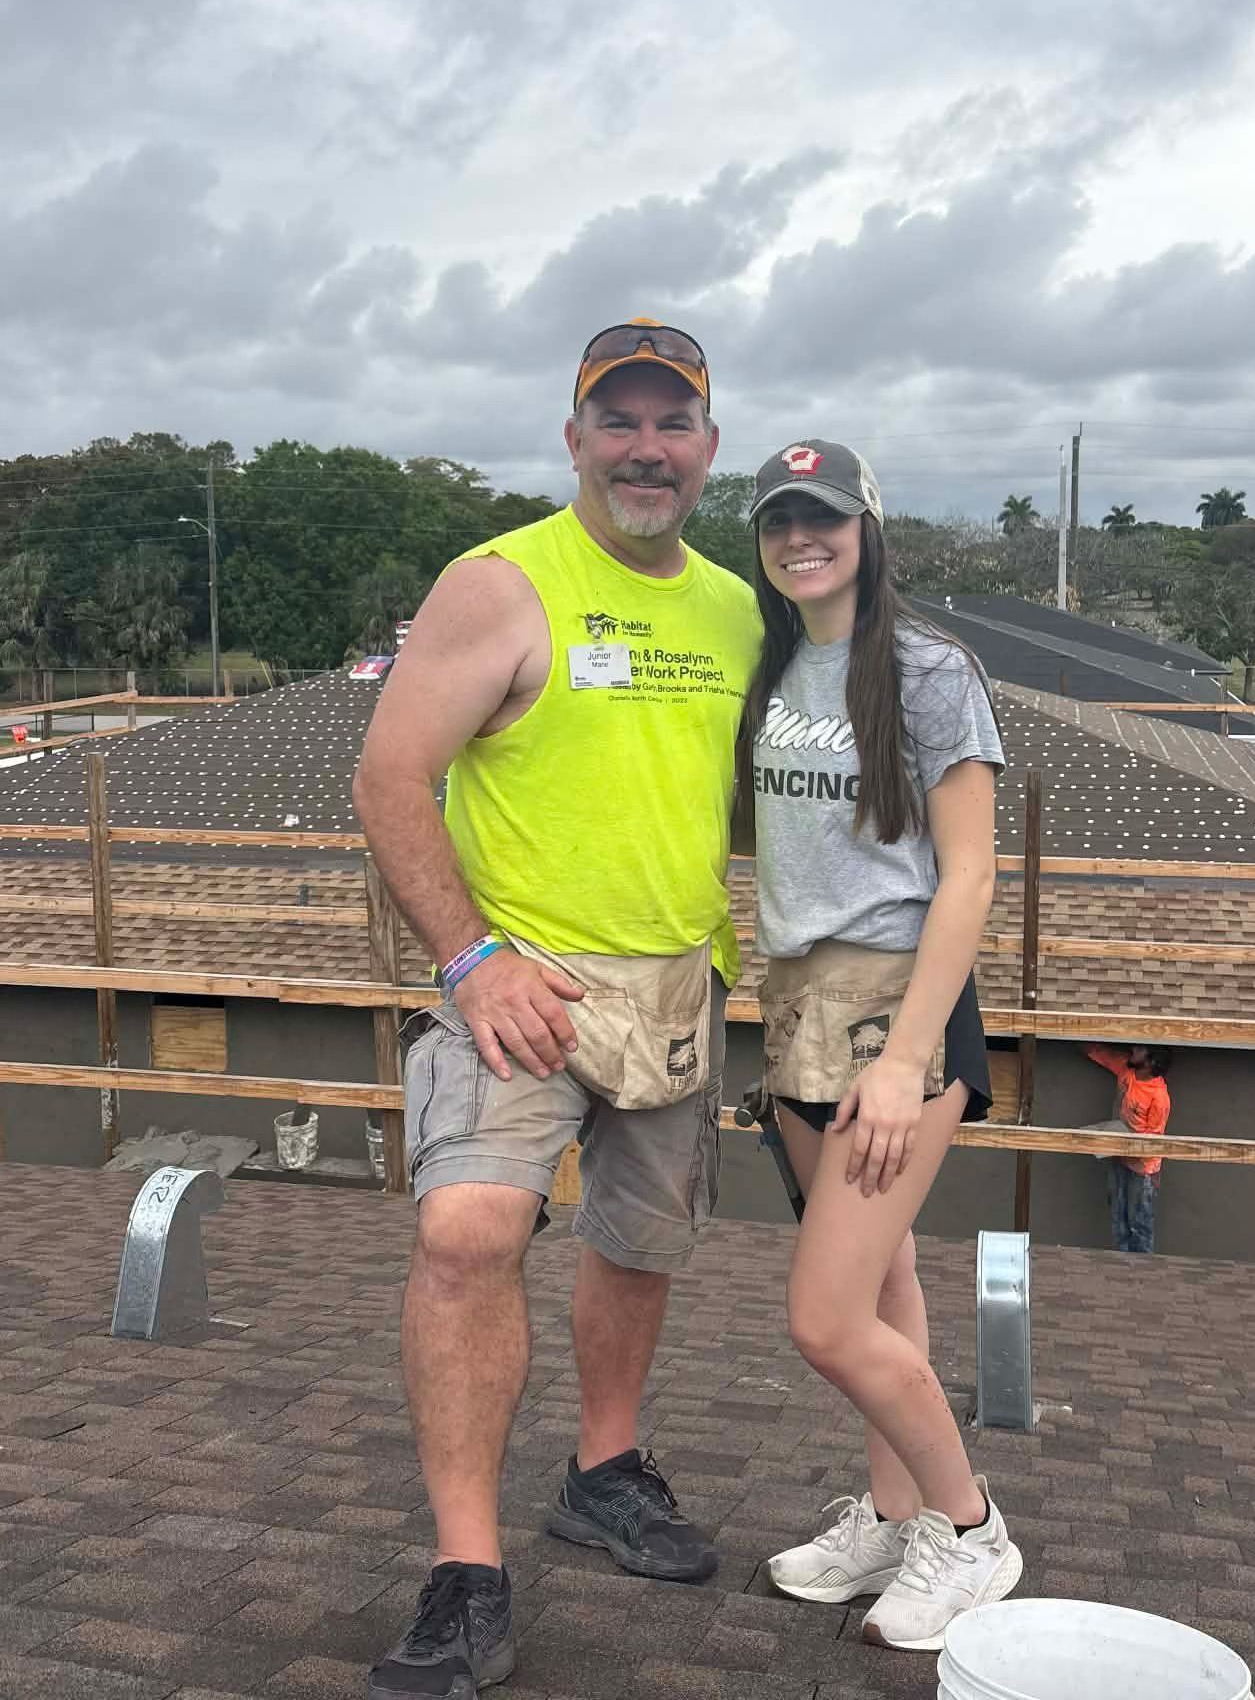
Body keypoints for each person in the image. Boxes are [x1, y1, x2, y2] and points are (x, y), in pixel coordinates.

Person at [353, 321, 761, 1700]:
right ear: (575, 434)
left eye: (674, 422)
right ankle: (467, 1574)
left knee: (639, 1244)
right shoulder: (500, 583)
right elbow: (389, 780)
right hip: (524, 983)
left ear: (709, 446)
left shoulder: (734, 606)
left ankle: (602, 1469)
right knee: (468, 1231)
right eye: (620, 419)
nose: (648, 447)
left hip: (675, 980)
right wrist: (474, 963)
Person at [736, 438, 1023, 1653]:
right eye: (780, 521)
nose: (804, 539)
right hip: (798, 1000)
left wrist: (906, 1060)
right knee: (885, 1273)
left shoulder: (925, 667)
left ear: (869, 526)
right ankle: (892, 1512)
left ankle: (969, 1528)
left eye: (826, 519)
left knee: (825, 1313)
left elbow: (969, 874)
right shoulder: (771, 663)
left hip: (898, 1013)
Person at [1080, 1043, 1172, 1253]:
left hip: (1143, 1166)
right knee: (1117, 1214)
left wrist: (1147, 1166)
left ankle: (1142, 1268)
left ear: (1152, 1062)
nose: (1133, 1050)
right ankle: (1121, 1264)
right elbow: (1103, 1055)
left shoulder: (1159, 1096)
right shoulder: (1127, 1069)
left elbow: (1154, 1138)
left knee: (1140, 1222)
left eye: (1140, 1050)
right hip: (1119, 1153)